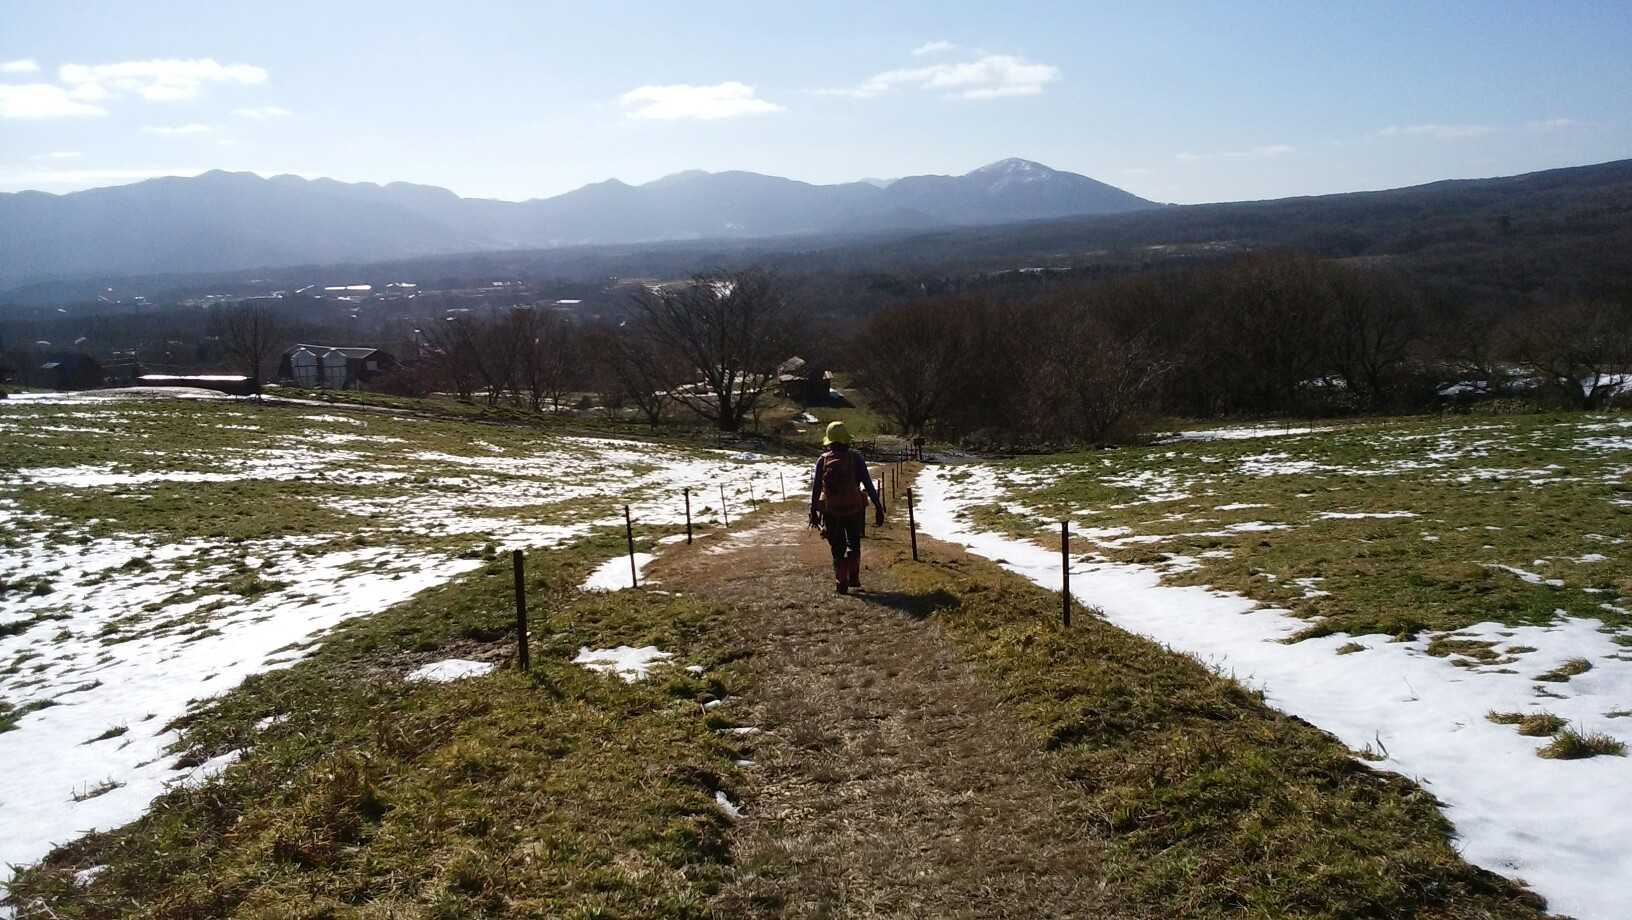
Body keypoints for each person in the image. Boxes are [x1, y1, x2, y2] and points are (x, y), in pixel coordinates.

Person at [809, 421, 885, 594]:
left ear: (829, 440)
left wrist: (813, 510)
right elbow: (868, 484)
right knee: (854, 542)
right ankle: (854, 576)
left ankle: (841, 581)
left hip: (831, 510)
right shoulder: (856, 458)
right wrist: (878, 507)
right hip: (854, 509)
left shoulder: (823, 460)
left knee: (837, 547)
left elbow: (816, 488)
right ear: (846, 439)